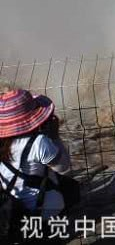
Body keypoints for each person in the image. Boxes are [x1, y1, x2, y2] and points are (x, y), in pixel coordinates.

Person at [0, 89, 71, 241]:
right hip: (44, 214)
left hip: (12, 212)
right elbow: (63, 167)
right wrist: (55, 136)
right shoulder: (39, 142)